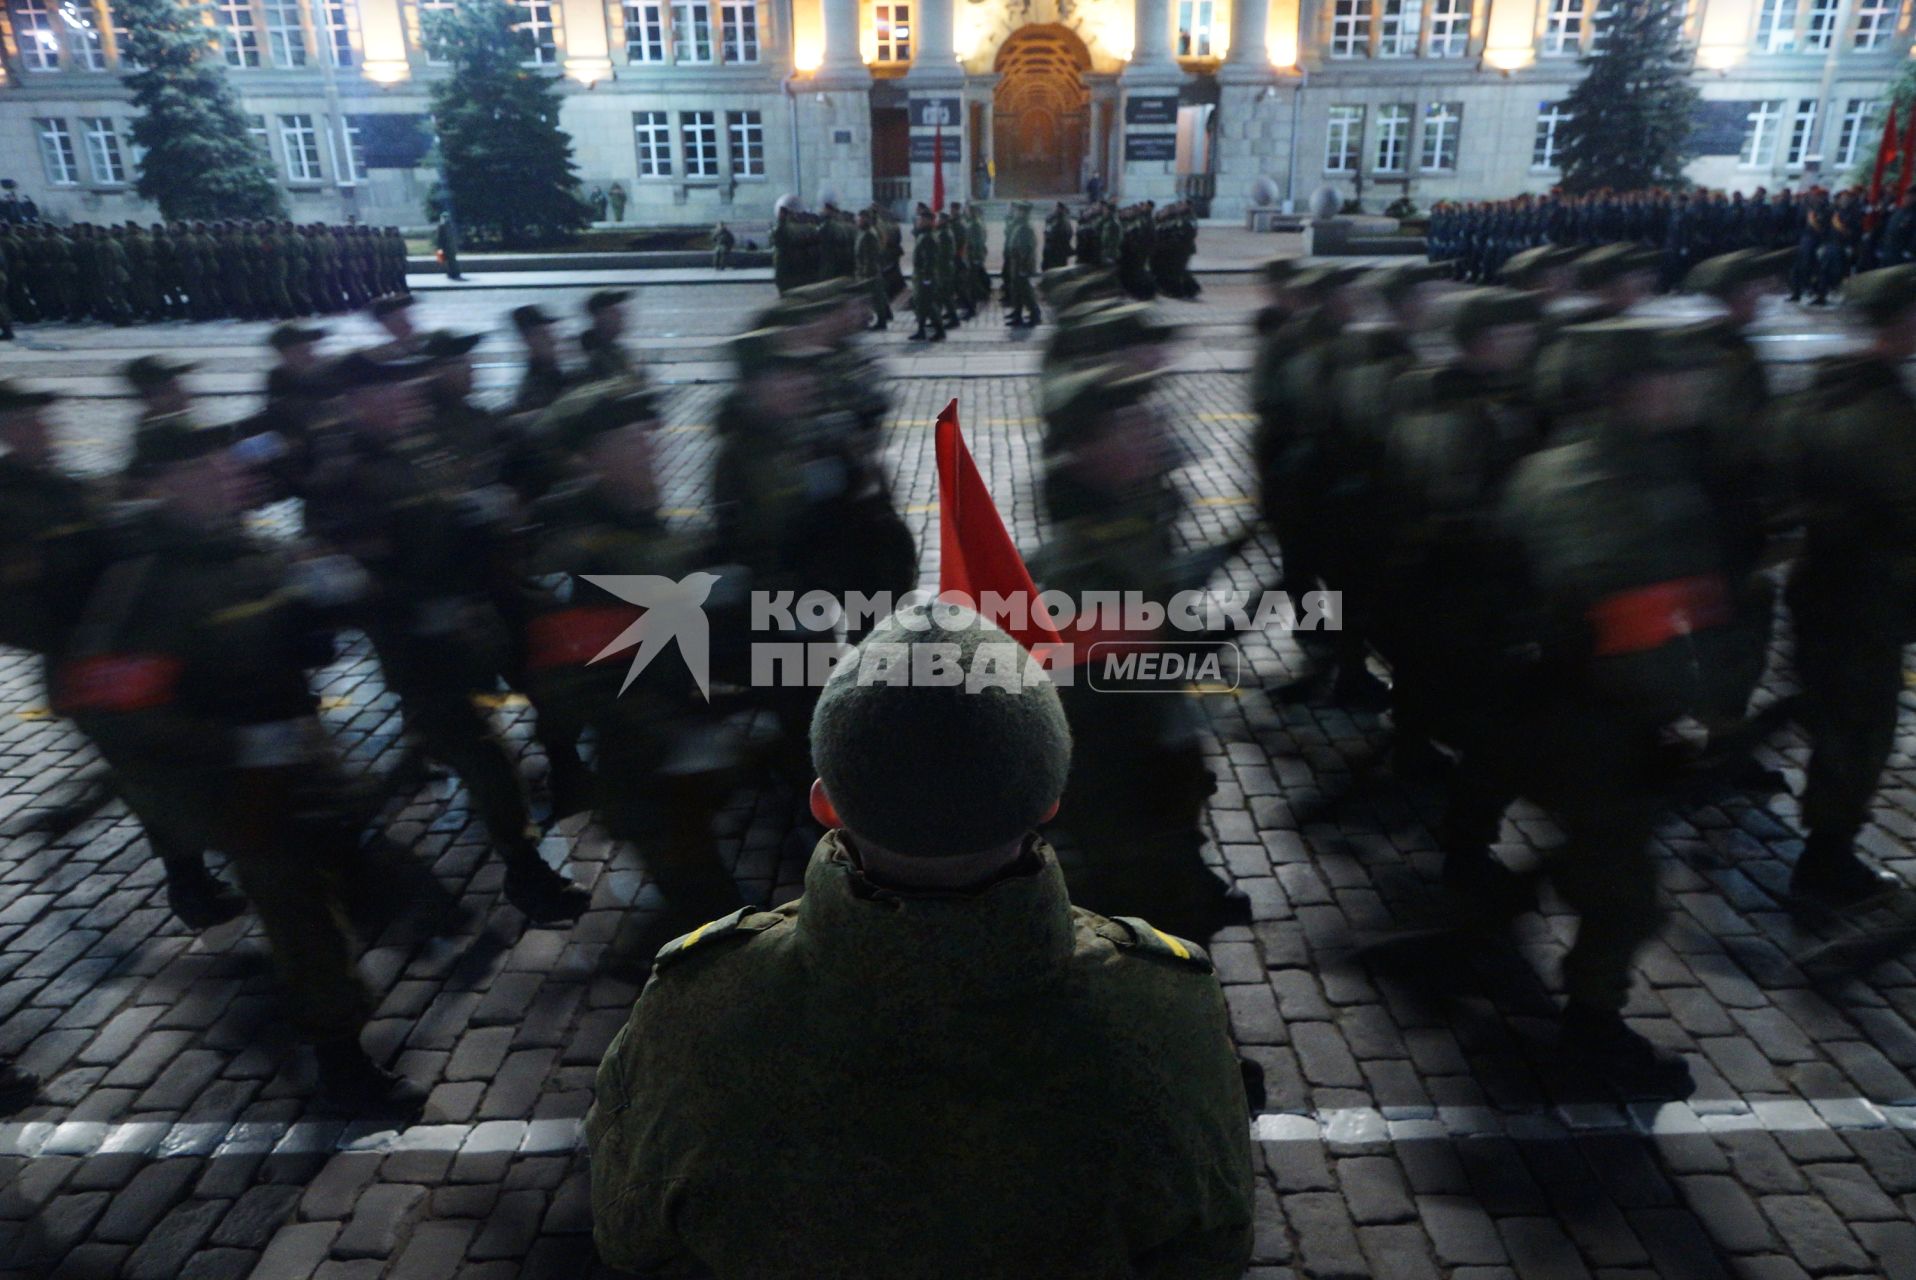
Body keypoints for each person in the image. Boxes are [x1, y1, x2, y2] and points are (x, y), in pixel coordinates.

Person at [587, 603, 1255, 1280]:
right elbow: (1214, 1249)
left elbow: (628, 1235)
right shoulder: (1167, 1012)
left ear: (827, 804)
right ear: (1049, 800)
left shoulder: (694, 1008)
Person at [58, 412, 422, 1109]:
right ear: (162, 486)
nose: (226, 478)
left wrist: (325, 600)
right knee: (300, 911)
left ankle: (322, 1008)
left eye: (224, 465)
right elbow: (118, 709)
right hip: (231, 781)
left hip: (295, 755)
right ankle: (340, 1060)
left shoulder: (244, 549)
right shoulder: (144, 584)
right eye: (202, 470)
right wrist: (231, 746)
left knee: (351, 880)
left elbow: (292, 633)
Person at [1777, 265, 1916, 906]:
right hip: (1867, 595)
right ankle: (1827, 860)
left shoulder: (1824, 387)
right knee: (1859, 729)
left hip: (1821, 581)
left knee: (1836, 714)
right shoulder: (1881, 415)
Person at [511, 303, 570, 413]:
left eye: (551, 333)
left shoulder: (553, 376)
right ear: (528, 341)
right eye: (544, 335)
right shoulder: (534, 390)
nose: (553, 341)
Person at [581, 288, 639, 381]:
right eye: (614, 310)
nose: (621, 315)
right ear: (600, 316)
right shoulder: (591, 351)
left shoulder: (614, 350)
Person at [908, 206, 945, 343]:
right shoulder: (923, 235)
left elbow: (929, 259)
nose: (919, 222)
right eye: (920, 219)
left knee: (928, 304)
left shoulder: (928, 237)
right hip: (920, 275)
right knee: (919, 303)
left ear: (929, 221)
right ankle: (921, 330)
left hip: (925, 276)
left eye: (922, 220)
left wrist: (927, 277)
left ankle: (940, 331)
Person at [1002, 200, 1041, 328]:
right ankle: (1017, 314)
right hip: (1015, 262)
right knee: (1016, 291)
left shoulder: (1026, 228)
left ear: (1024, 213)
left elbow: (1027, 249)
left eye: (1019, 210)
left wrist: (1024, 267)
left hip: (1022, 264)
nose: (1016, 212)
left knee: (1026, 291)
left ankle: (1035, 315)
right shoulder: (1018, 225)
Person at [435, 215, 463, 282]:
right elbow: (455, 236)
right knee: (452, 260)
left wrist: (439, 247)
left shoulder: (441, 225)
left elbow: (439, 238)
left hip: (445, 247)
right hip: (451, 246)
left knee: (446, 261)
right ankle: (455, 273)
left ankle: (451, 273)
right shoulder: (451, 225)